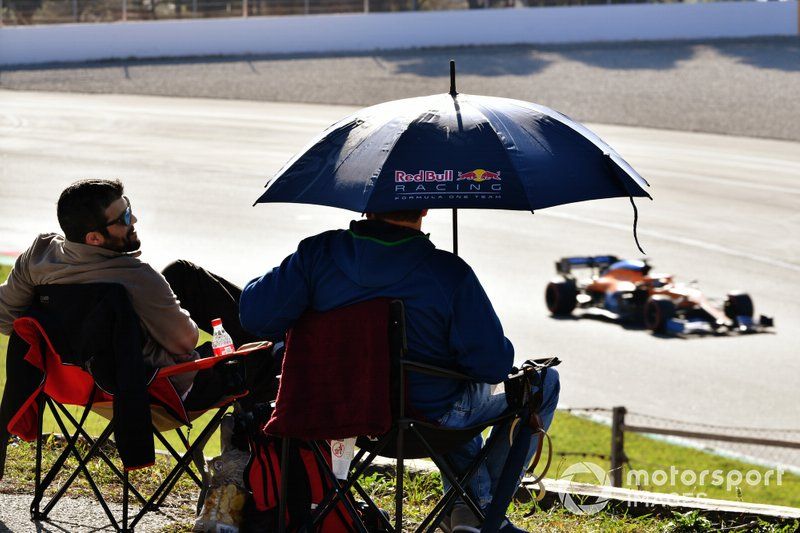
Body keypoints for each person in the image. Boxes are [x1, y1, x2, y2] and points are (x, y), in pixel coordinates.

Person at [239, 208, 560, 532]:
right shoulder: (447, 272)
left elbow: (256, 317)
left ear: (365, 204)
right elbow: (493, 366)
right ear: (423, 208)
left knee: (441, 393)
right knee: (542, 383)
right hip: (428, 419)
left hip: (346, 415)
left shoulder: (315, 256)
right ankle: (483, 512)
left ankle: (469, 512)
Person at [0, 179, 275, 412]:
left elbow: (6, 318)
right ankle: (247, 438)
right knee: (262, 349)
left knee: (181, 273)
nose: (134, 221)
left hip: (79, 381)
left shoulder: (38, 256)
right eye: (125, 219)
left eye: (129, 209)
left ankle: (274, 335)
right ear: (94, 238)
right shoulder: (136, 278)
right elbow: (186, 341)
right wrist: (161, 320)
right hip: (158, 388)